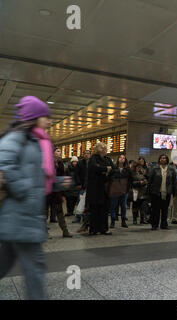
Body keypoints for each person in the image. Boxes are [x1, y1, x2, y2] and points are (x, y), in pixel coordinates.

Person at [0, 96, 71, 299]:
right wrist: (25, 189)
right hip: (21, 214)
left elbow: (36, 175)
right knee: (35, 269)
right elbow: (3, 164)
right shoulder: (16, 138)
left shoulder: (35, 141)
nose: (48, 121)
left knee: (5, 262)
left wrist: (57, 182)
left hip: (23, 215)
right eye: (45, 117)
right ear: (34, 117)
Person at [87, 142, 113, 235]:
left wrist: (108, 170)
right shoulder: (93, 158)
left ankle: (104, 228)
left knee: (104, 209)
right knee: (94, 209)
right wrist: (105, 169)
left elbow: (113, 169)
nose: (105, 151)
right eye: (104, 149)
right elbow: (94, 168)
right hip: (95, 188)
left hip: (104, 188)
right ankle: (94, 229)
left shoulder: (107, 159)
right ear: (99, 150)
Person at [47, 148, 72, 238]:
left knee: (60, 212)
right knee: (45, 212)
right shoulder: (48, 162)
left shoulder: (61, 164)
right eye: (57, 151)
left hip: (57, 191)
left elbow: (62, 177)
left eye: (60, 151)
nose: (60, 153)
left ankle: (65, 231)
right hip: (48, 190)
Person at [148, 154, 177, 230]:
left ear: (167, 159)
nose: (163, 159)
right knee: (155, 210)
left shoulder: (172, 169)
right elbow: (150, 181)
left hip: (167, 192)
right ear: (159, 159)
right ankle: (155, 225)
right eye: (161, 158)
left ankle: (164, 225)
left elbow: (174, 182)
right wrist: (149, 192)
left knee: (165, 209)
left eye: (164, 158)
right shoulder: (154, 169)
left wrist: (174, 193)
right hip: (156, 192)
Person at [108, 154, 132, 229]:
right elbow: (109, 177)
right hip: (115, 189)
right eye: (120, 157)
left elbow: (130, 179)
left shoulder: (127, 169)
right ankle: (112, 221)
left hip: (124, 189)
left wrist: (128, 188)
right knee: (113, 205)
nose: (122, 159)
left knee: (123, 206)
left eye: (123, 158)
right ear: (118, 159)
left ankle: (123, 221)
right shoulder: (114, 168)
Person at [73, 150, 90, 225]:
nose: (86, 155)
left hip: (89, 185)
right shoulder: (80, 163)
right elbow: (76, 174)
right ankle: (78, 217)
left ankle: (84, 216)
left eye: (88, 154)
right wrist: (78, 183)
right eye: (85, 153)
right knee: (80, 201)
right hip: (82, 185)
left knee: (86, 202)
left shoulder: (91, 163)